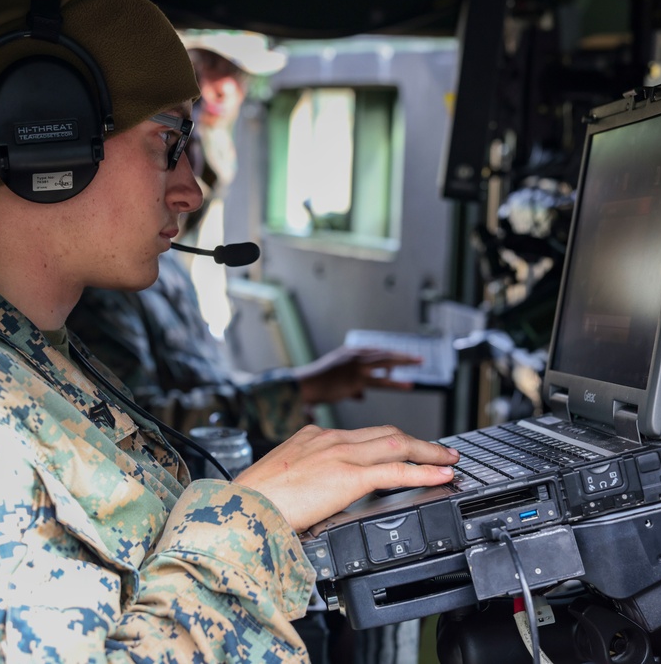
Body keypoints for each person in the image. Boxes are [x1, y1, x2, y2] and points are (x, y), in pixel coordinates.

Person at [0, 0, 460, 662]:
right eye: (168, 142)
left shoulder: (10, 342)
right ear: (44, 131)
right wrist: (253, 516)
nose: (191, 190)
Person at [68, 31, 423, 460]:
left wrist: (295, 389)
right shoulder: (104, 284)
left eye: (191, 149)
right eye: (167, 147)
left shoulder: (166, 266)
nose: (190, 188)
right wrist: (300, 387)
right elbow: (140, 421)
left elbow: (200, 377)